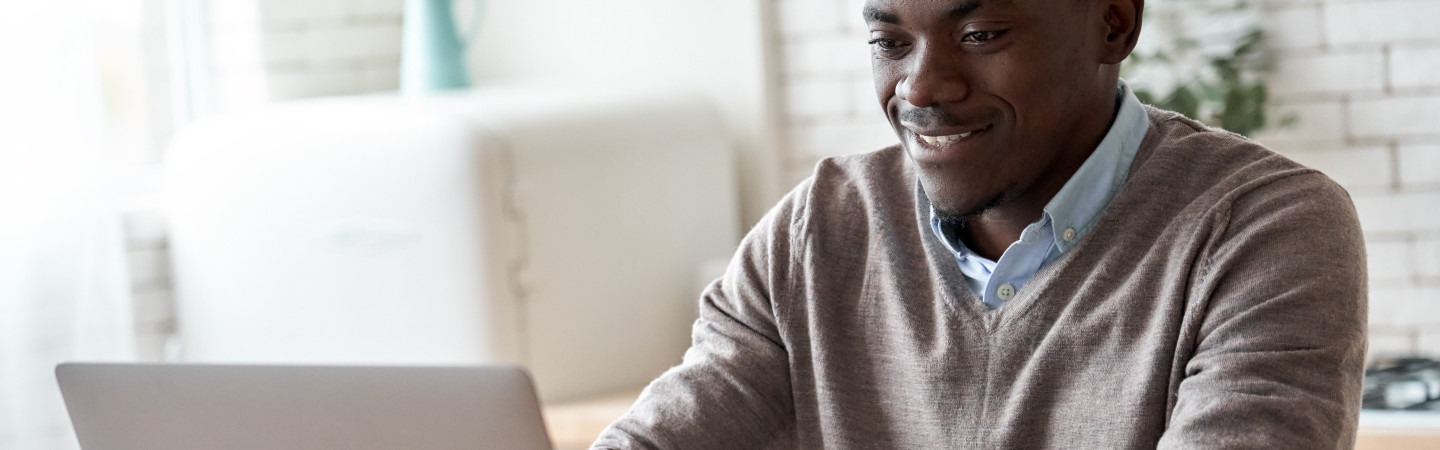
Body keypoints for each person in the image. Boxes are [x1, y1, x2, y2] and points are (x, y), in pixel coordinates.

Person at [592, 0, 1367, 447]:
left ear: (1114, 22)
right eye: (890, 42)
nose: (922, 86)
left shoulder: (1262, 231)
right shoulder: (816, 234)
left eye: (981, 34)